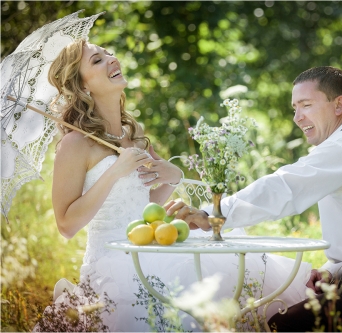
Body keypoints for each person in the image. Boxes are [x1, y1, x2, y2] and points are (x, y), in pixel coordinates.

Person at [39, 39, 311, 332]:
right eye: (97, 60)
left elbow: (146, 199)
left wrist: (174, 176)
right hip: (112, 261)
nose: (111, 59)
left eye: (108, 53)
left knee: (225, 269)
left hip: (152, 246)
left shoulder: (134, 131)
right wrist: (113, 172)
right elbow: (66, 225)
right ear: (83, 86)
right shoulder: (74, 143)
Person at [172, 66, 342, 332]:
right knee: (273, 307)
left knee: (282, 325)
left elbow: (285, 187)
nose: (297, 117)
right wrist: (335, 268)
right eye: (295, 108)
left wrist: (212, 215)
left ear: (339, 105)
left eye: (306, 105)